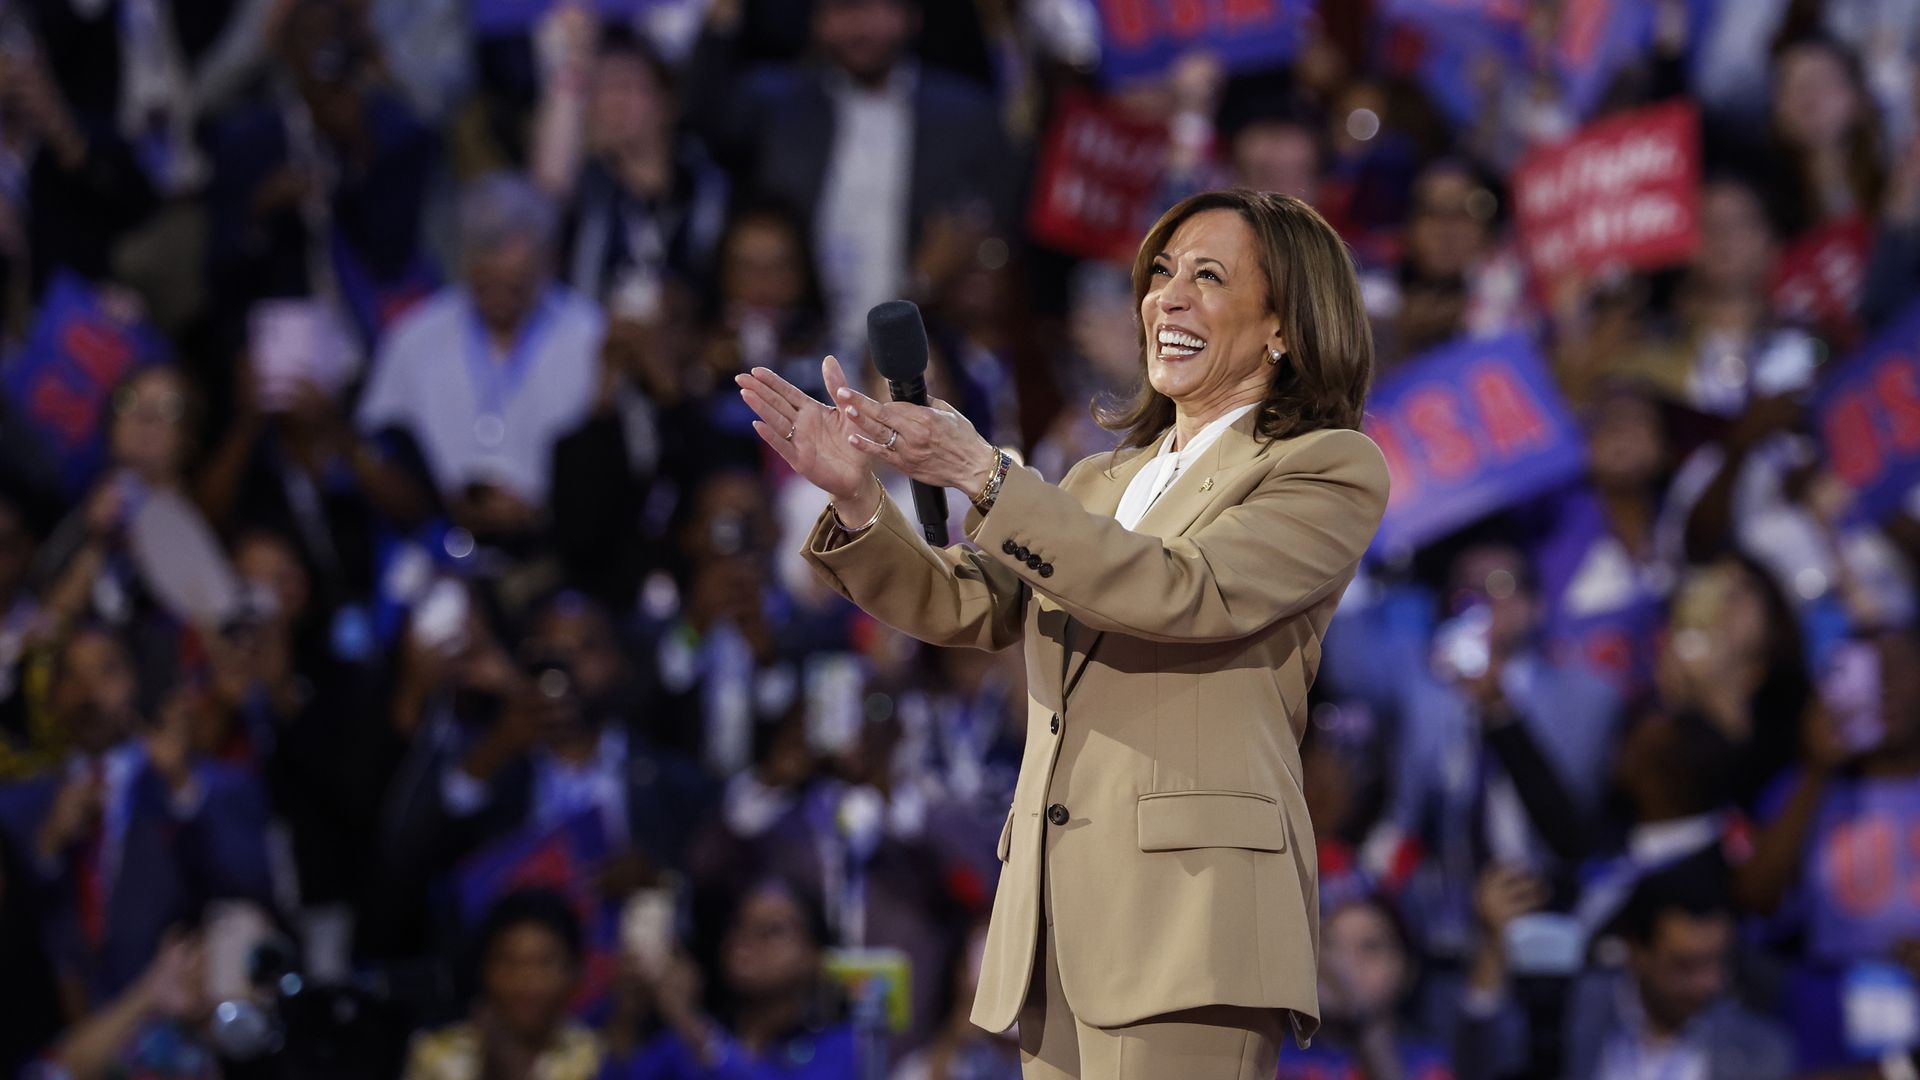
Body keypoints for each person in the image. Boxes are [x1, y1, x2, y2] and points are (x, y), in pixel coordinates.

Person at [739, 189, 1388, 1076]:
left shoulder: (1324, 466)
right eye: (1161, 273)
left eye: (1208, 276)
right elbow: (971, 604)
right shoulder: (1096, 480)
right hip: (1056, 919)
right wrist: (857, 498)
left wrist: (982, 469)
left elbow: (1183, 593)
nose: (1169, 297)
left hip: (1191, 924)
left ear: (1284, 325)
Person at [355, 172, 605, 534]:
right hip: (434, 541)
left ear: (547, 264)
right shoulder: (415, 337)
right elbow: (378, 445)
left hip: (555, 543)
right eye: (486, 283)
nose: (500, 298)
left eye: (516, 286)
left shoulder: (590, 336)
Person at [1457, 859, 1793, 1080]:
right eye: (1685, 966)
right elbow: (1487, 1066)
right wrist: (1492, 947)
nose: (1708, 983)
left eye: (1718, 962)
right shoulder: (1572, 1012)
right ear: (1636, 950)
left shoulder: (1758, 1053)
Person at [401, 888, 603, 1080]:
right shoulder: (436, 1055)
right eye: (510, 962)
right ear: (485, 970)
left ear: (574, 972)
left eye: (544, 963)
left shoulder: (597, 1058)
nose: (526, 981)